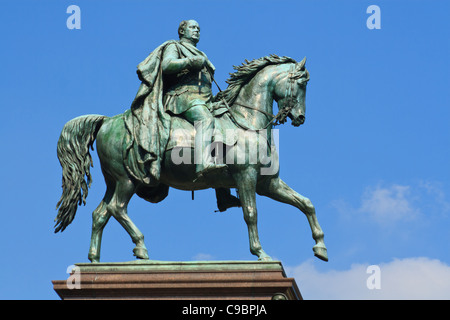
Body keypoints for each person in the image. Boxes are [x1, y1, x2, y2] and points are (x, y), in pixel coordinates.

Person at [162, 19, 227, 179]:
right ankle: (203, 163)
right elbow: (166, 65)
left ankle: (222, 191)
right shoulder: (175, 46)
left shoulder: (202, 54)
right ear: (182, 31)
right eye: (192, 27)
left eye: (198, 28)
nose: (197, 30)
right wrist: (191, 62)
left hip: (204, 100)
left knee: (226, 127)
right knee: (205, 120)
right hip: (183, 97)